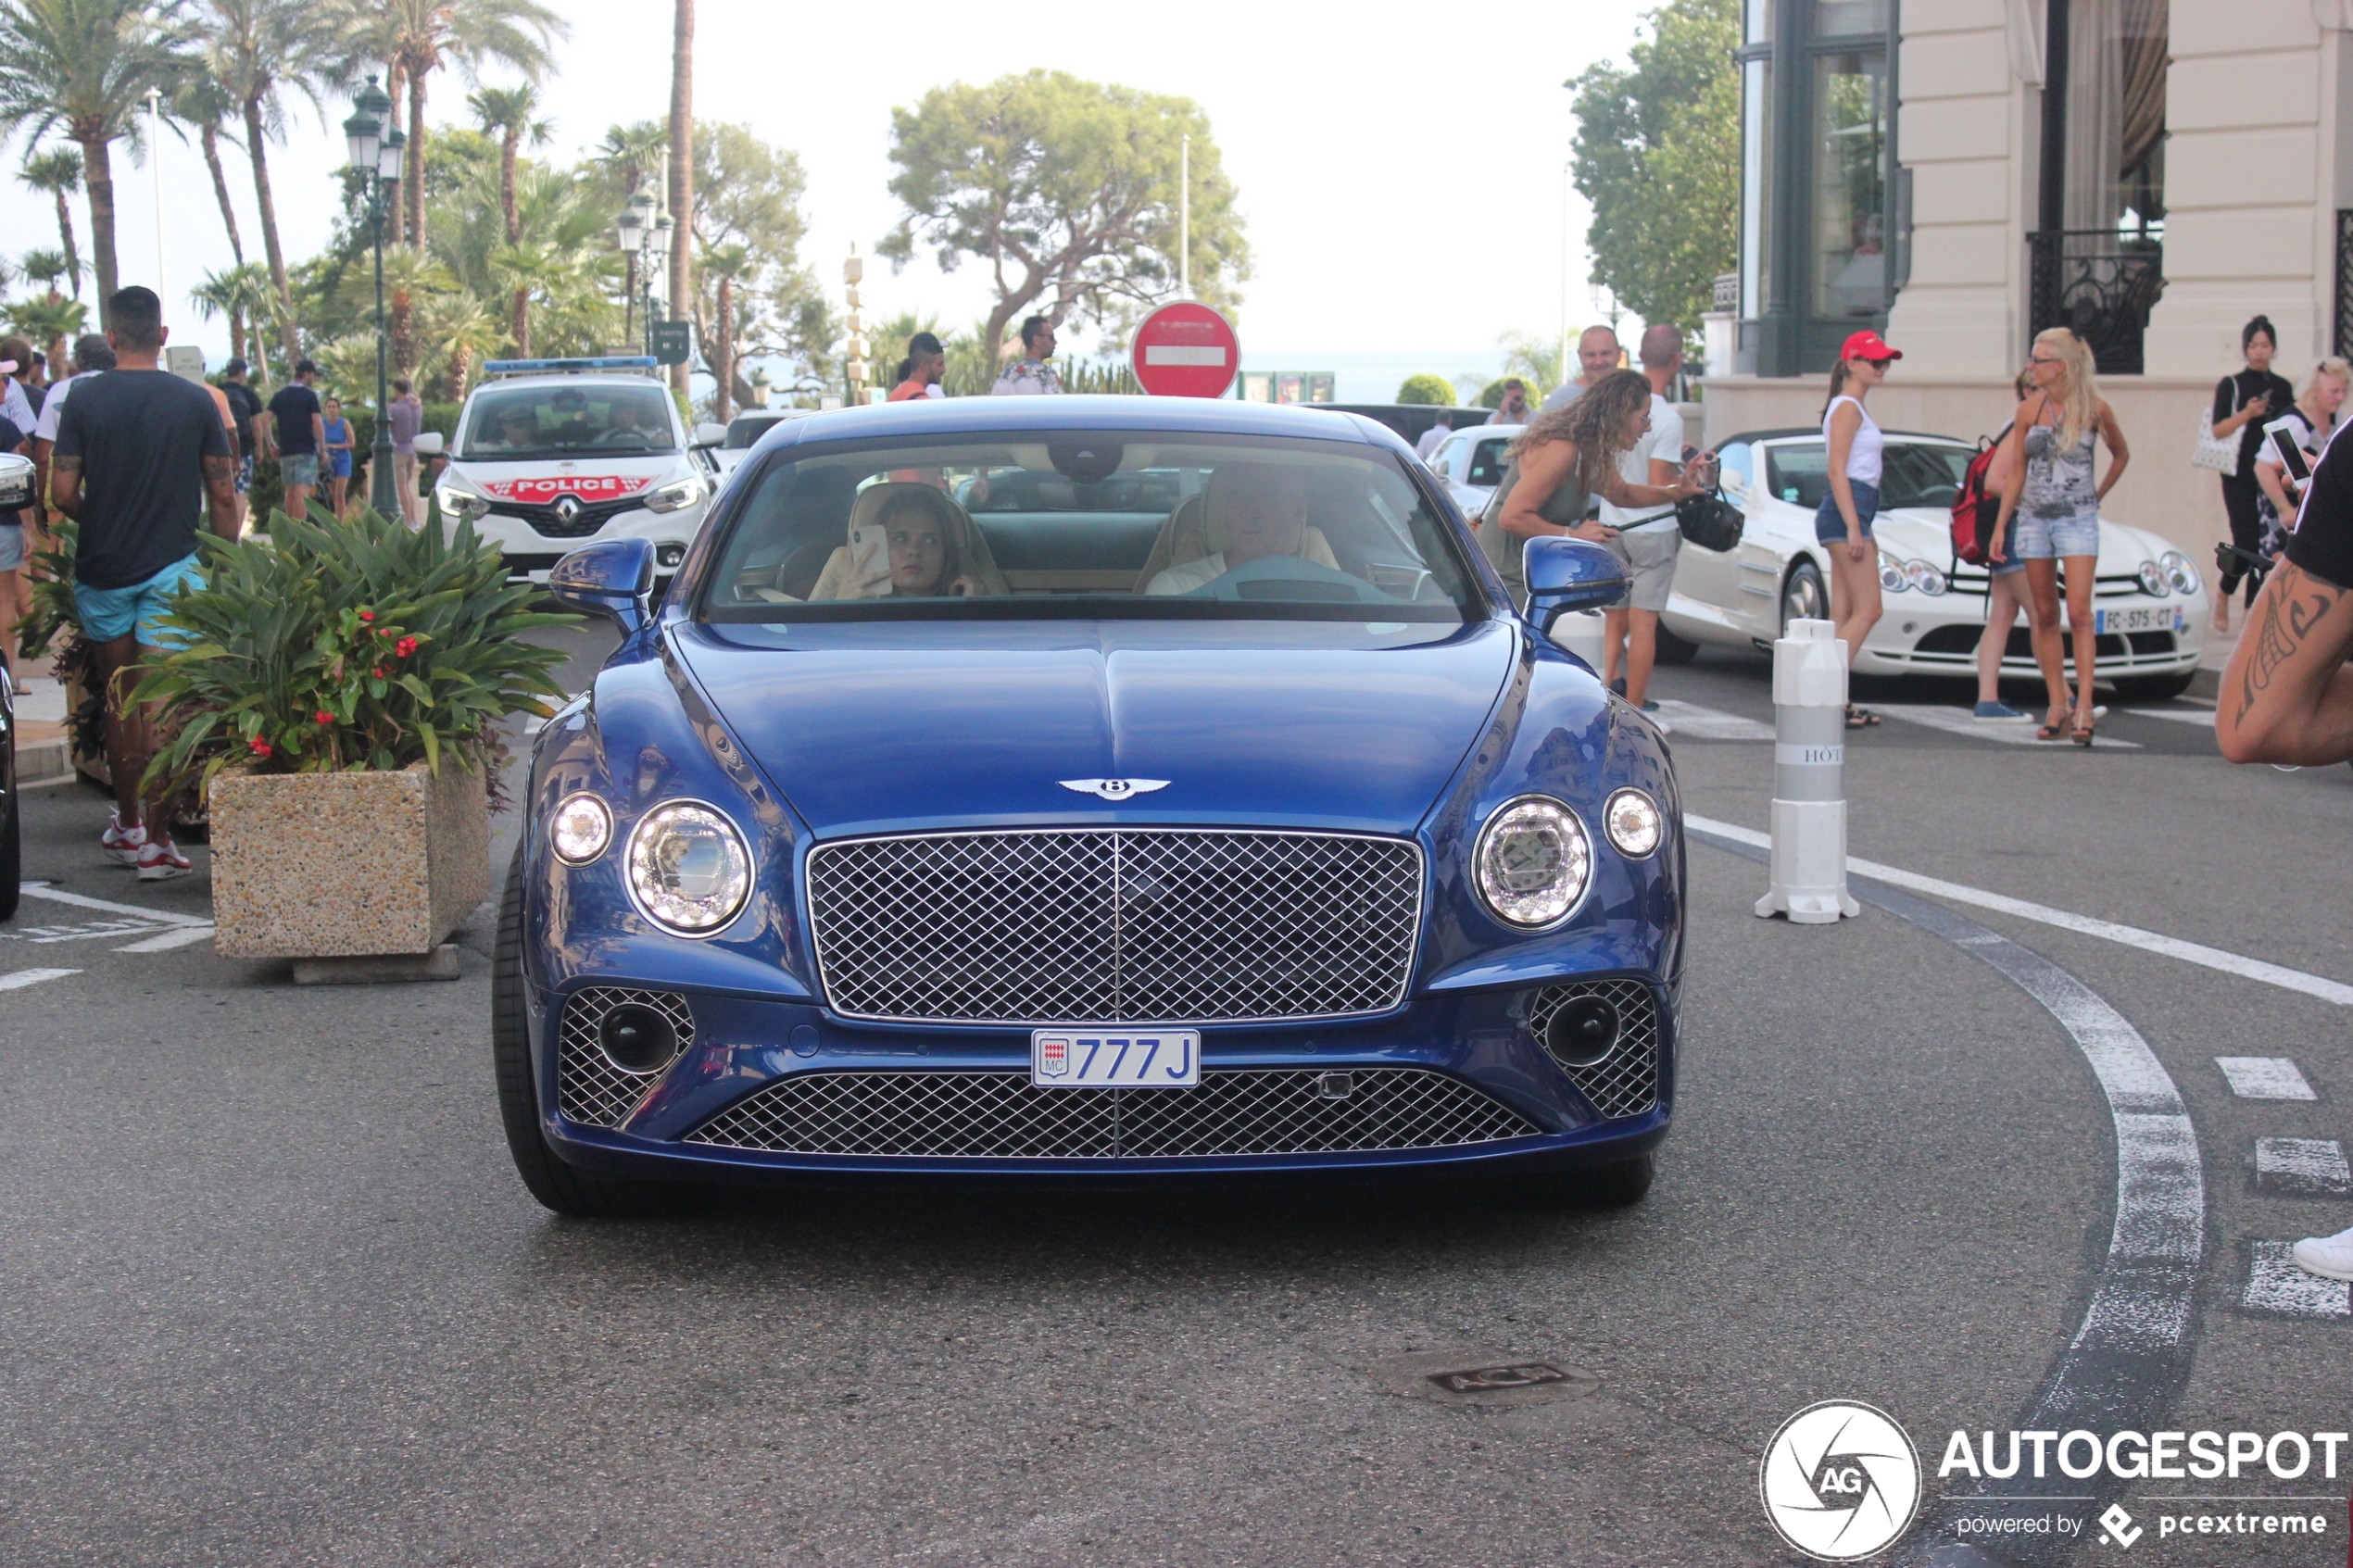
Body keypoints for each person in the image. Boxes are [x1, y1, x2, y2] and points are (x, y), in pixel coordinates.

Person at [47, 286, 236, 882]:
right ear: (162, 335)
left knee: (118, 697)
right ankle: (157, 840)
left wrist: (96, 517)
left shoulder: (82, 398)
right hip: (175, 568)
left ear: (110, 338)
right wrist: (224, 561)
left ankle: (126, 823)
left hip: (103, 569)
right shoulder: (197, 400)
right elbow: (224, 492)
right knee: (163, 705)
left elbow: (61, 495)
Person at [1987, 327, 2131, 744]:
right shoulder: (2028, 411)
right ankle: (2057, 704)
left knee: (2080, 612)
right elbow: (2017, 471)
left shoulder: (2094, 410)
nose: (2030, 366)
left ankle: (2084, 706)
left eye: (2039, 359)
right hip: (2033, 519)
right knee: (2045, 614)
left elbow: (2121, 454)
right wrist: (2001, 525)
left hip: (2077, 519)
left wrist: (2097, 493)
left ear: (2061, 367)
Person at [1480, 368, 1705, 618]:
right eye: (1644, 418)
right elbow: (1511, 516)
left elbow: (1623, 494)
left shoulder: (1590, 449)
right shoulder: (1563, 448)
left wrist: (1678, 492)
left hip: (1531, 573)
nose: (1647, 428)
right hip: (1502, 575)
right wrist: (1573, 535)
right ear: (1620, 414)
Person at [1595, 323, 1694, 714]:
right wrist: (1687, 476)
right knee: (1644, 624)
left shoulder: (1618, 404)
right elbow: (1658, 481)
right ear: (1678, 360)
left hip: (1612, 521)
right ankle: (1634, 710)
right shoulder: (1666, 417)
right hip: (1652, 527)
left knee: (1613, 619)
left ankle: (1604, 694)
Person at [1817, 330, 1903, 728]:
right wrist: (1854, 526)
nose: (1882, 367)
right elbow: (1837, 469)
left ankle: (1836, 697)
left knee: (1844, 611)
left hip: (1855, 507)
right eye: (1874, 361)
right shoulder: (1848, 407)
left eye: (1885, 361)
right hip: (1848, 507)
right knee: (1870, 609)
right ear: (1852, 363)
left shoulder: (1848, 405)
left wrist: (1857, 521)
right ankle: (1823, 691)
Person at [2210, 315, 2296, 632]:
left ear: (2273, 348)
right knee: (2245, 542)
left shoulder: (2283, 387)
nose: (2259, 351)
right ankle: (2224, 593)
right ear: (2245, 348)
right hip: (2240, 476)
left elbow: (2291, 431)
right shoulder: (2231, 384)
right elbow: (2218, 430)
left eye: (2265, 345)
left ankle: (2251, 615)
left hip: (2272, 478)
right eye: (2253, 345)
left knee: (2271, 542)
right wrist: (2248, 413)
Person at [1971, 367, 2042, 721]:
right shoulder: (2020, 427)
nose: (2037, 393)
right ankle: (2068, 697)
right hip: (2011, 529)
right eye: (2032, 387)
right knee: (2041, 613)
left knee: (2003, 614)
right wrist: (2034, 498)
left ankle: (1987, 700)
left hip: (2007, 528)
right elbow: (1995, 480)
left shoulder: (2022, 426)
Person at [1145, 465, 1323, 595]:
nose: (1249, 512)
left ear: (1298, 511)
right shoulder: (1176, 590)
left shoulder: (1327, 592)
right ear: (1225, 507)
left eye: (1267, 495)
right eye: (1237, 495)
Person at [811, 485, 988, 599]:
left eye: (929, 540)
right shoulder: (849, 598)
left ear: (945, 554)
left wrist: (972, 612)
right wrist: (844, 609)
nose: (914, 550)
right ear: (879, 547)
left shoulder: (967, 598)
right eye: (900, 538)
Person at [2253, 355, 2348, 557]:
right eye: (2334, 391)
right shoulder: (2294, 421)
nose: (2340, 397)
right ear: (2314, 391)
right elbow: (2262, 466)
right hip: (2282, 508)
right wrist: (2284, 508)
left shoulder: (2336, 418)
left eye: (2343, 391)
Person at [261, 358, 325, 520]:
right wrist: (323, 449)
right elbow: (317, 423)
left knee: (290, 491)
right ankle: (299, 530)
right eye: (313, 375)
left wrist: (271, 445)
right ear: (306, 374)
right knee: (302, 491)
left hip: (286, 450)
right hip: (306, 449)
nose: (314, 378)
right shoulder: (309, 396)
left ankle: (289, 528)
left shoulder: (280, 395)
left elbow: (265, 420)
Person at [219, 358, 265, 527]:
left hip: (219, 451)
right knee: (241, 494)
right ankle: (234, 537)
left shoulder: (218, 392)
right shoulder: (249, 395)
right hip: (244, 450)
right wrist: (259, 449)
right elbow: (257, 427)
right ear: (241, 372)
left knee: (221, 494)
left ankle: (220, 536)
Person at [1541, 325, 1624, 412]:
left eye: (1605, 353)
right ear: (1580, 356)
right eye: (1591, 355)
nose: (1598, 362)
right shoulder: (1559, 401)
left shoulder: (1635, 394)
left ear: (1619, 353)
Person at [384, 376, 424, 527]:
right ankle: (413, 518)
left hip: (399, 449)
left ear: (396, 390)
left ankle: (408, 519)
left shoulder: (395, 409)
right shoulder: (416, 406)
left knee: (402, 487)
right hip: (412, 449)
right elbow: (414, 400)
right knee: (407, 486)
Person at [992, 316, 1063, 395]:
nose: (1055, 342)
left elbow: (993, 405)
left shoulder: (1005, 375)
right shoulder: (1045, 375)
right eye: (1051, 337)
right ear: (1036, 340)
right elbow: (1059, 406)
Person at [321, 396, 353, 519]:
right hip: (328, 462)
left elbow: (351, 443)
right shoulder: (321, 423)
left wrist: (335, 446)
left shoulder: (344, 423)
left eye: (334, 407)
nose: (332, 409)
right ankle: (337, 519)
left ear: (338, 409)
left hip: (343, 460)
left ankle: (341, 522)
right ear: (325, 409)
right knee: (333, 494)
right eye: (329, 407)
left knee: (340, 493)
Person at [888, 332, 947, 402]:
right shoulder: (921, 400)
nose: (944, 370)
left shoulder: (895, 394)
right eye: (940, 364)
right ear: (923, 366)